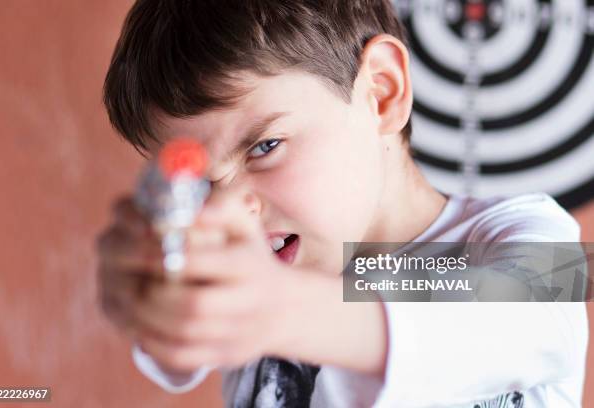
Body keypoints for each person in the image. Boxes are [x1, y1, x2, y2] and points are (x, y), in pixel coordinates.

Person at [96, 1, 589, 407]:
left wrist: (274, 308)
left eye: (265, 147)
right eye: (199, 185)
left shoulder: (526, 232)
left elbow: (529, 310)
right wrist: (154, 291)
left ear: (380, 92)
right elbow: (178, 345)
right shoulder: (275, 266)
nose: (229, 207)